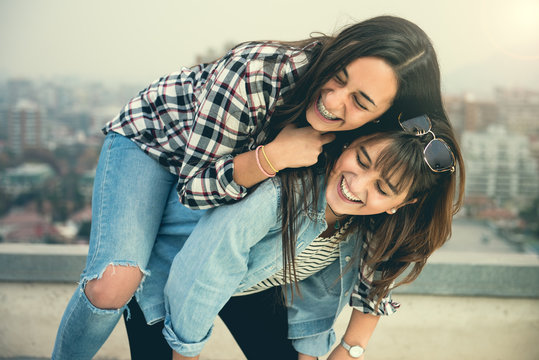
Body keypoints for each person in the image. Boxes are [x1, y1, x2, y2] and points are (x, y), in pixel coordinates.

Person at [52, 15, 449, 360]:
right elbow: (195, 188)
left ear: (388, 115)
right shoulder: (258, 71)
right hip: (158, 143)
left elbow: (390, 237)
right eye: (337, 76)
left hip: (238, 183)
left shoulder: (382, 148)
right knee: (114, 283)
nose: (332, 100)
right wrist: (273, 157)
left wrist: (352, 344)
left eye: (360, 102)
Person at [132, 114, 464, 360]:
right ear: (350, 143)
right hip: (166, 272)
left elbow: (321, 293)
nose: (357, 185)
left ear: (401, 204)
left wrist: (328, 352)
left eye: (383, 188)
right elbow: (208, 268)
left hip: (245, 284)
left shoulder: (364, 227)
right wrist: (187, 351)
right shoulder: (281, 193)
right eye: (362, 160)